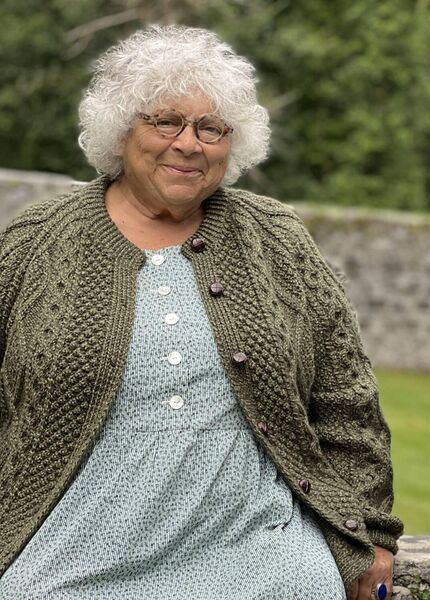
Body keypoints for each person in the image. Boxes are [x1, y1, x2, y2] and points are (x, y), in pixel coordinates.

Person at [0, 25, 401, 600]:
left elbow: (347, 399)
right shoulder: (35, 242)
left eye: (211, 128)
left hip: (262, 546)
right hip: (73, 551)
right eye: (166, 122)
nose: (189, 144)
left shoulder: (277, 239)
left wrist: (372, 534)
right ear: (120, 130)